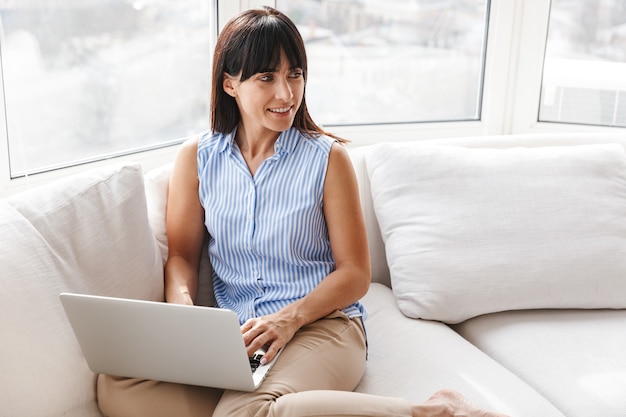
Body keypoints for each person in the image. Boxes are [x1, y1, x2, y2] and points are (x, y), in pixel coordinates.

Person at [97, 6, 508, 417]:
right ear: (230, 84)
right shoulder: (199, 158)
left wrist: (288, 319)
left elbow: (355, 274)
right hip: (238, 340)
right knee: (119, 386)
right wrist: (183, 315)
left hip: (323, 327)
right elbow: (183, 257)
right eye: (266, 77)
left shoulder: (327, 160)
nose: (286, 93)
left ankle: (438, 412)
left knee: (241, 414)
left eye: (294, 74)